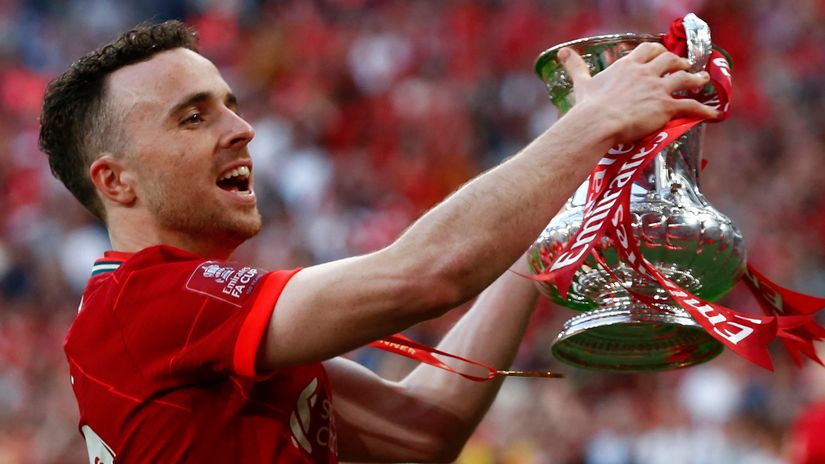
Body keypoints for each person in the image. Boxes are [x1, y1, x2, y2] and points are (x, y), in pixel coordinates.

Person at [39, 20, 717, 463]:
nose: (241, 128)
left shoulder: (198, 323)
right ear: (115, 182)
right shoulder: (144, 300)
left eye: (230, 103)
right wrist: (589, 125)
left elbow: (422, 428)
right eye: (192, 117)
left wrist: (556, 215)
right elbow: (422, 277)